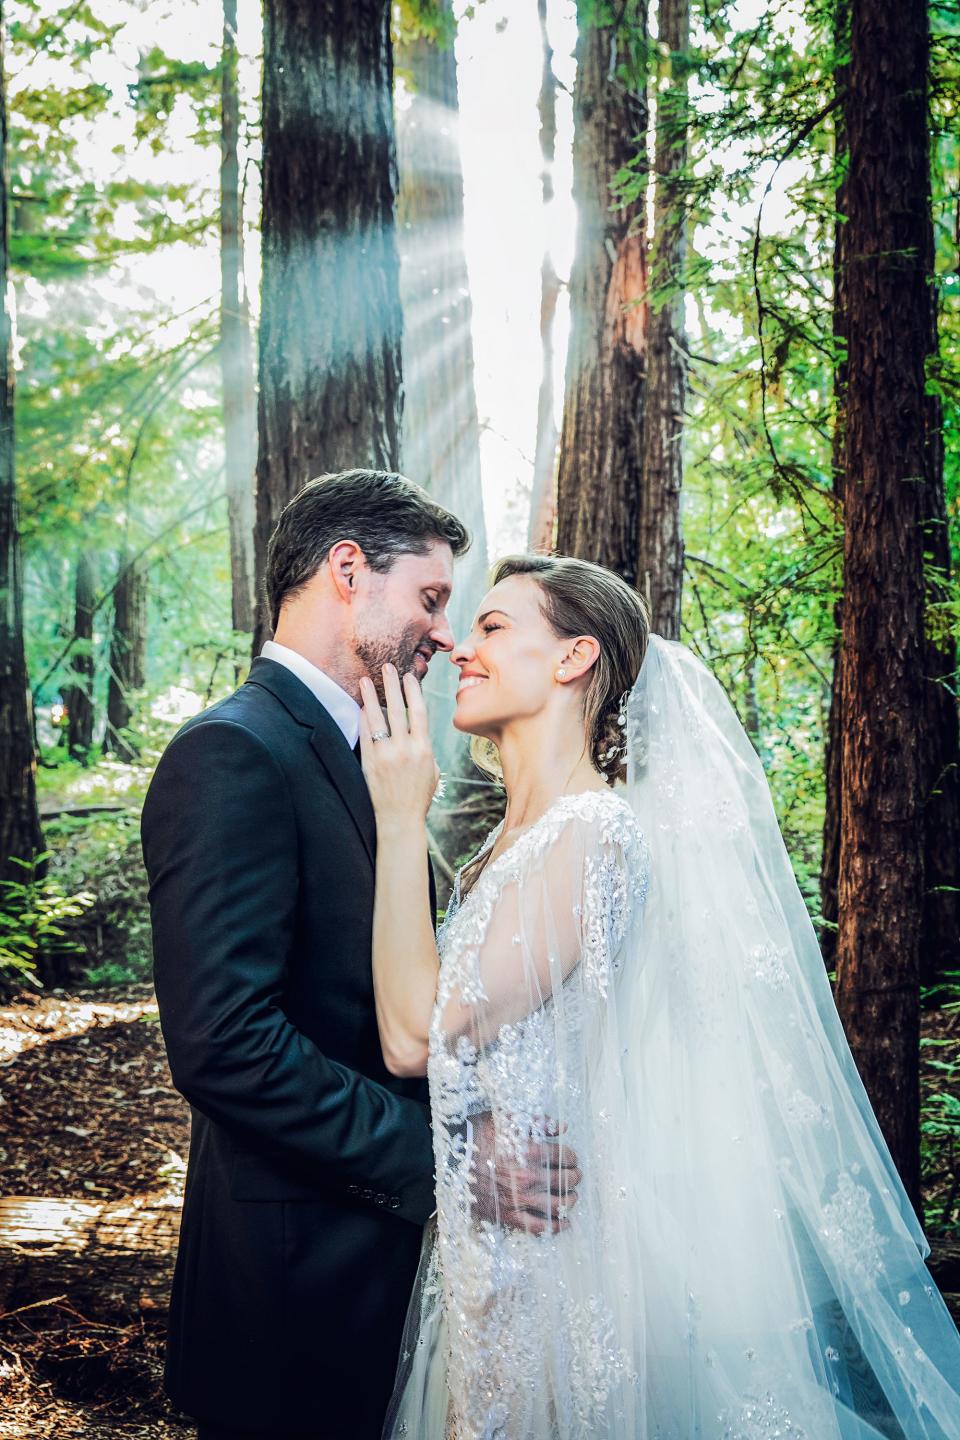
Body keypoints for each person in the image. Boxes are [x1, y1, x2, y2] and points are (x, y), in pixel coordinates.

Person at [360, 551, 960, 1440]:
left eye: (492, 627)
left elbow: (415, 1039)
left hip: (555, 1277)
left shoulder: (594, 834)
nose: (462, 650)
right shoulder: (507, 847)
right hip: (491, 1259)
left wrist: (400, 816)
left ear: (573, 658)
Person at [141, 471, 579, 1440]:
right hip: (291, 1293)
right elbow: (225, 1045)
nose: (443, 635)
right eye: (429, 598)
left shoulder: (377, 762)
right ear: (349, 570)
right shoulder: (232, 753)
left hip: (388, 1291)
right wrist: (448, 1161)